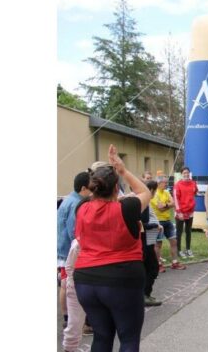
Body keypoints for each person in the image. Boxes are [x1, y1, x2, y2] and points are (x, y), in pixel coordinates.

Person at [73, 144, 151, 352]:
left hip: (86, 280)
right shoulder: (127, 208)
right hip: (122, 279)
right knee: (128, 338)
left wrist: (102, 176)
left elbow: (95, 197)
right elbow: (144, 191)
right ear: (117, 188)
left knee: (101, 336)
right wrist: (122, 171)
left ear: (93, 187)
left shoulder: (82, 208)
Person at [57, 171, 90, 329]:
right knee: (67, 285)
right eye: (91, 188)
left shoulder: (68, 199)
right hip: (68, 252)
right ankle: (70, 319)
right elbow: (74, 231)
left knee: (65, 284)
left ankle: (68, 317)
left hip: (63, 250)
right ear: (83, 188)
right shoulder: (75, 203)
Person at [151, 176, 185, 270]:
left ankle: (175, 262)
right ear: (159, 183)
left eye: (167, 182)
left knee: (174, 241)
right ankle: (158, 264)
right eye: (165, 183)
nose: (167, 184)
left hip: (167, 220)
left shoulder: (166, 192)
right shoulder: (155, 193)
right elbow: (160, 208)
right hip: (158, 221)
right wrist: (168, 205)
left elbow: (173, 203)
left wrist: (166, 205)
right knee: (158, 244)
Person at [62, 239, 88, 352]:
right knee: (75, 322)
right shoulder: (78, 242)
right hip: (77, 286)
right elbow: (69, 267)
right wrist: (73, 285)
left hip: (93, 285)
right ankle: (69, 348)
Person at [141, 180, 163, 306]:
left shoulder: (146, 202)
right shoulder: (143, 203)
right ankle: (145, 295)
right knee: (152, 268)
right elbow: (140, 224)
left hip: (149, 238)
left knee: (150, 267)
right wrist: (154, 225)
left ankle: (145, 294)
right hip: (144, 240)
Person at [173, 166, 197, 260]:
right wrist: (179, 212)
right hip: (180, 212)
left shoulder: (193, 183)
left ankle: (188, 249)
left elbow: (194, 192)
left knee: (188, 231)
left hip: (190, 212)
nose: (186, 174)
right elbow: (176, 199)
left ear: (189, 173)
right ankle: (179, 250)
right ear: (181, 174)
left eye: (187, 172)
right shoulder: (177, 185)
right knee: (179, 232)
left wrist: (191, 204)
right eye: (184, 173)